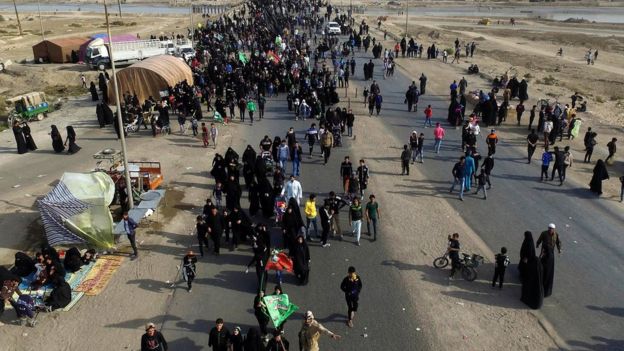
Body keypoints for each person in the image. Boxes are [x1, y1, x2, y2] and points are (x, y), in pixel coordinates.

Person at [519, 231, 544, 309]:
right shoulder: (537, 269)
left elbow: (528, 253)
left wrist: (525, 259)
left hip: (527, 263)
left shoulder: (528, 244)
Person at [536, 224, 561, 298]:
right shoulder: (544, 233)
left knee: (549, 265)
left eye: (552, 229)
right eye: (549, 228)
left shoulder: (556, 235)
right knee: (541, 261)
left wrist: (559, 249)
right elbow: (540, 239)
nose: (550, 230)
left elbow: (558, 242)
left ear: (554, 229)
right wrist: (537, 244)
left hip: (551, 252)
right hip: (544, 250)